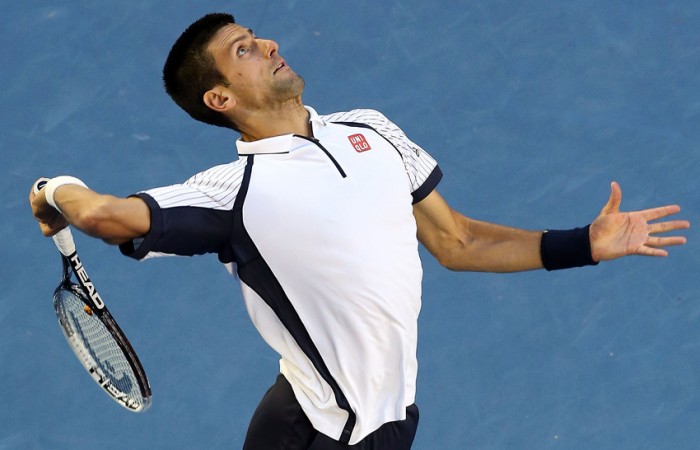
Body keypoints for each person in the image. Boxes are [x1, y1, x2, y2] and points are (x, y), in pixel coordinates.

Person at [30, 13, 689, 450]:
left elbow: (456, 241)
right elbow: (104, 215)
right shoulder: (231, 194)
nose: (267, 46)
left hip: (392, 422)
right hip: (309, 435)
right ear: (220, 98)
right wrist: (52, 189)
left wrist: (584, 244)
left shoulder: (370, 130)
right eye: (243, 51)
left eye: (257, 36)